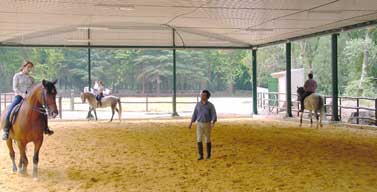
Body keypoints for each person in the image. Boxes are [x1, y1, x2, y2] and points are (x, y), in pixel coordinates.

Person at [2, 61, 54, 140]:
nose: (29, 69)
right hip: (19, 97)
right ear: (23, 67)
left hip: (29, 99)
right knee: (11, 109)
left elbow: (33, 89)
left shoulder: (31, 78)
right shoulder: (17, 76)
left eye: (31, 68)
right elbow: (15, 88)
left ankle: (46, 128)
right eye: (28, 67)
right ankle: (6, 130)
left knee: (43, 111)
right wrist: (22, 94)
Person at [188, 90, 217, 160]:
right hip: (199, 124)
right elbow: (194, 114)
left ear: (207, 96)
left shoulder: (210, 105)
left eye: (203, 95)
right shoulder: (198, 104)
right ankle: (200, 155)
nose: (202, 96)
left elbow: (214, 114)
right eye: (201, 95)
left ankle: (208, 155)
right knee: (199, 139)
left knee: (207, 139)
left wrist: (213, 121)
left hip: (207, 123)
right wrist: (191, 122)